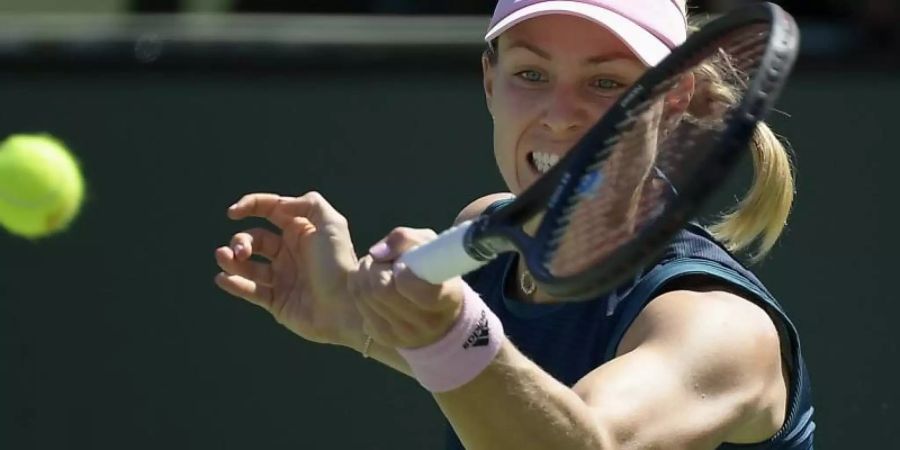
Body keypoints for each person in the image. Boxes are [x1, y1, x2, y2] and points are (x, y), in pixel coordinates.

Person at [213, 0, 815, 448]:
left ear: (674, 98)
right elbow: (497, 388)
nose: (560, 117)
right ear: (489, 82)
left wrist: (450, 330)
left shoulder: (720, 327)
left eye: (606, 83)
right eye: (531, 74)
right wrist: (352, 315)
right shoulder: (488, 234)